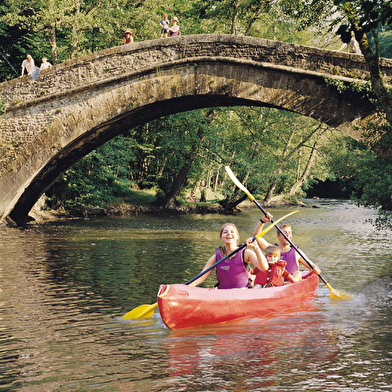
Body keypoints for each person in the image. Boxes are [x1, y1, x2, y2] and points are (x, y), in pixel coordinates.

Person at [190, 223, 268, 289]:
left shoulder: (246, 253)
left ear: (237, 236)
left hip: (243, 293)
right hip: (224, 294)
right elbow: (200, 277)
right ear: (221, 238)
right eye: (225, 232)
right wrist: (186, 287)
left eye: (232, 232)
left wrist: (256, 247)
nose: (229, 234)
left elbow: (264, 267)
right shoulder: (216, 257)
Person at [253, 213, 321, 281]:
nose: (288, 235)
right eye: (285, 233)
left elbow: (312, 266)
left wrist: (315, 269)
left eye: (289, 233)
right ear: (278, 236)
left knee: (297, 273)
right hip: (274, 284)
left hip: (291, 284)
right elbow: (256, 238)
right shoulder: (271, 249)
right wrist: (262, 221)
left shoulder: (297, 252)